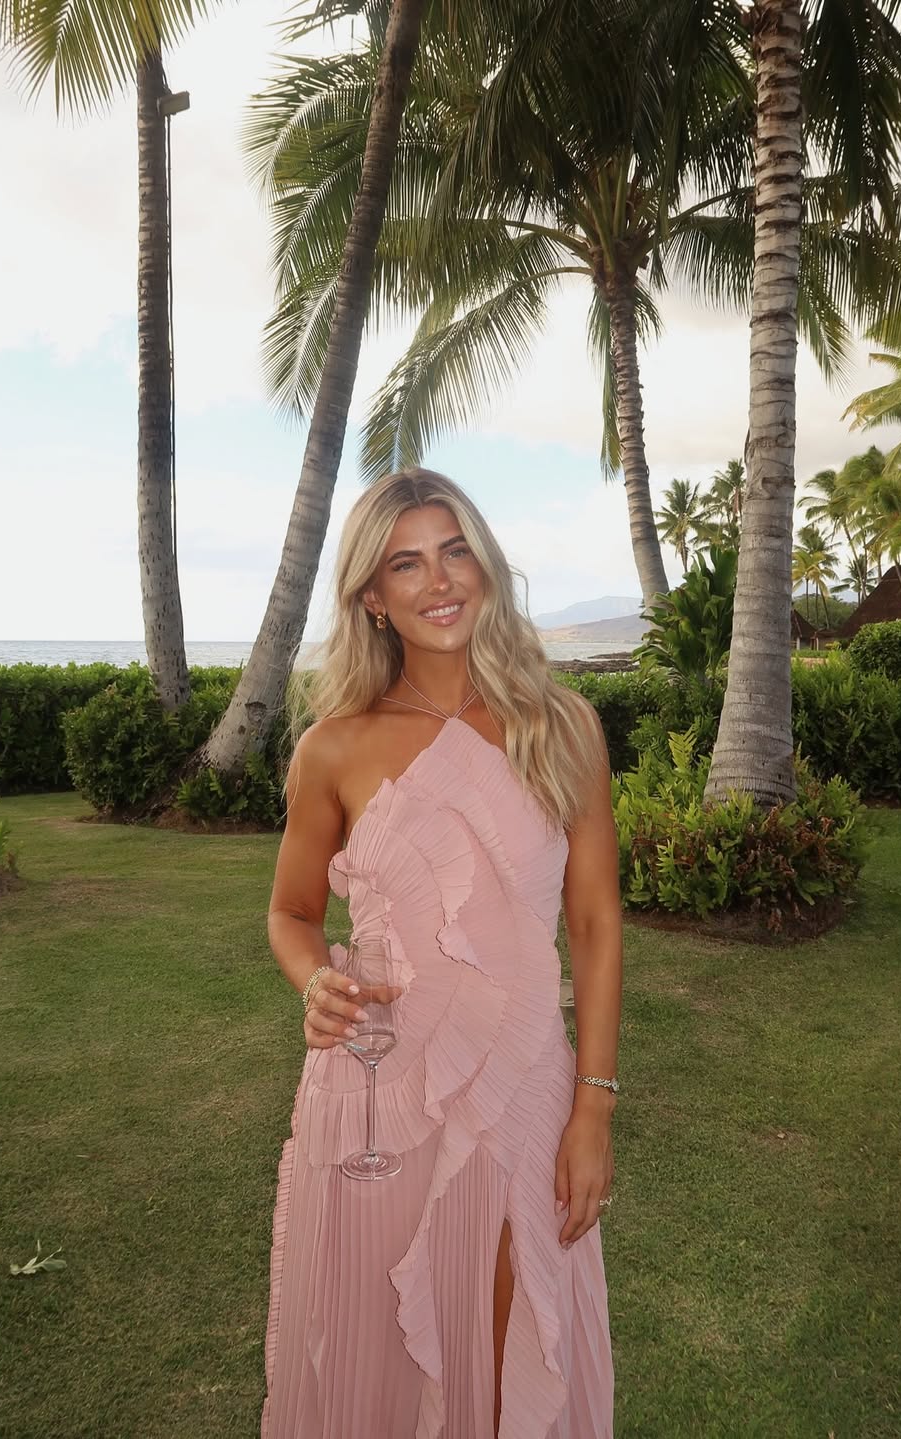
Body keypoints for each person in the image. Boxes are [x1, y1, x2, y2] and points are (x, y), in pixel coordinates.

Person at [262, 468, 622, 1438]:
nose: (439, 579)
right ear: (372, 597)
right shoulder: (334, 748)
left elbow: (594, 923)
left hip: (525, 1082)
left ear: (486, 563)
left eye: (455, 548)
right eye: (406, 562)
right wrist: (315, 979)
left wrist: (593, 1102)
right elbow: (292, 912)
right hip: (378, 1087)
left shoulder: (563, 726)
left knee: (516, 1322)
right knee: (379, 1337)